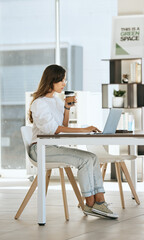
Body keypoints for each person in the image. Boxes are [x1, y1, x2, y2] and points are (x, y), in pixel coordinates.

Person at [29, 64, 118, 219]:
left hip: (52, 147)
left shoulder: (57, 101)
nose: (65, 84)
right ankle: (90, 204)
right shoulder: (39, 103)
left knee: (93, 157)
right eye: (62, 80)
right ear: (51, 81)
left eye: (65, 80)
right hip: (40, 149)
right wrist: (84, 130)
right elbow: (53, 129)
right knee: (84, 160)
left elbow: (63, 126)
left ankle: (100, 202)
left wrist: (67, 108)